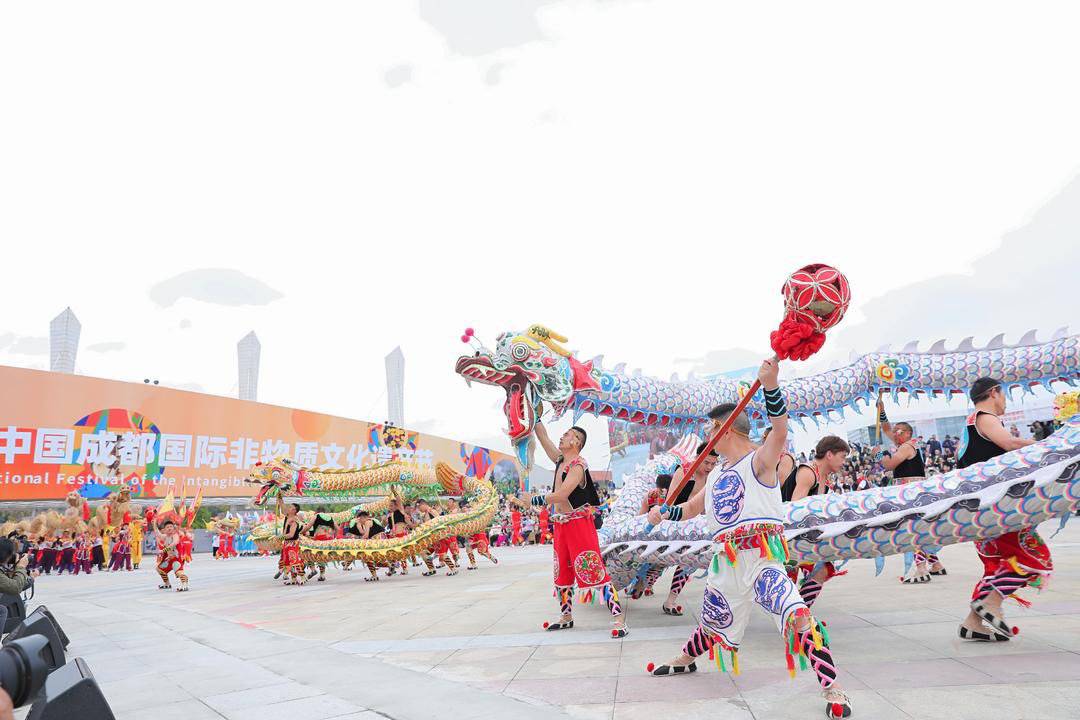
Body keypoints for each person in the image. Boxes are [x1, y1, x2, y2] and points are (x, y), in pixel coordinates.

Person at [645, 359, 851, 719]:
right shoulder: (718, 472)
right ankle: (686, 658)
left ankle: (832, 686)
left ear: (725, 430)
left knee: (797, 617)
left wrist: (770, 385)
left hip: (761, 561)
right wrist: (664, 513)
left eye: (711, 429)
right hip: (726, 563)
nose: (707, 436)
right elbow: (693, 507)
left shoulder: (760, 461)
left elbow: (780, 430)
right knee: (713, 620)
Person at [957, 377, 1047, 642]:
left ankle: (973, 623)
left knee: (994, 567)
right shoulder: (984, 417)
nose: (1005, 401)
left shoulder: (971, 423)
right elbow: (1010, 444)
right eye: (1004, 394)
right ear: (994, 392)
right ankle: (991, 606)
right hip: (995, 510)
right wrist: (1051, 446)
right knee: (1032, 557)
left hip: (979, 510)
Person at [520, 421, 628, 638]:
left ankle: (618, 618)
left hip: (579, 524)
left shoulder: (578, 465)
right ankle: (566, 616)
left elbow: (562, 495)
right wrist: (533, 414)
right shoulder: (560, 460)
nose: (562, 437)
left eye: (567, 434)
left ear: (576, 442)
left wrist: (534, 499)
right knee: (562, 572)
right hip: (560, 524)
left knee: (593, 568)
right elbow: (543, 437)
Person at [877, 400, 945, 581]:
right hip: (908, 488)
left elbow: (889, 465)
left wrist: (879, 455)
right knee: (917, 528)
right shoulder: (904, 444)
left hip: (910, 490)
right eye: (895, 431)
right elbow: (885, 428)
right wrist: (882, 410)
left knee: (911, 529)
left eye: (898, 431)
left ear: (907, 433)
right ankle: (935, 563)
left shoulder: (907, 446)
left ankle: (921, 568)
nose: (894, 434)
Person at [781, 435, 850, 607]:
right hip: (787, 536)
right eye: (842, 457)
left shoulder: (823, 480)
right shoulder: (808, 472)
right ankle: (795, 614)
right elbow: (795, 509)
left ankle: (800, 610)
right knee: (790, 576)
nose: (843, 462)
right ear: (829, 454)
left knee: (824, 568)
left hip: (801, 537)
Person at [154, 516, 189, 591]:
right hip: (169, 559)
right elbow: (157, 533)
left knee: (179, 572)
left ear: (173, 528)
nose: (169, 528)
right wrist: (154, 523)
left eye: (171, 526)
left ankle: (184, 584)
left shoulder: (175, 535)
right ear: (164, 529)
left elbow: (174, 543)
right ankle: (167, 584)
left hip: (176, 558)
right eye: (167, 527)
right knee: (160, 569)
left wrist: (163, 550)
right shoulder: (165, 537)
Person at [280, 504, 307, 586]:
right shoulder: (287, 516)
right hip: (287, 542)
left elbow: (291, 535)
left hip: (293, 542)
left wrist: (280, 537)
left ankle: (302, 577)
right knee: (288, 561)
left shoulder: (294, 520)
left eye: (290, 507)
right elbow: (282, 508)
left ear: (294, 510)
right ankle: (293, 578)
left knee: (294, 560)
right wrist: (279, 498)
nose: (288, 508)